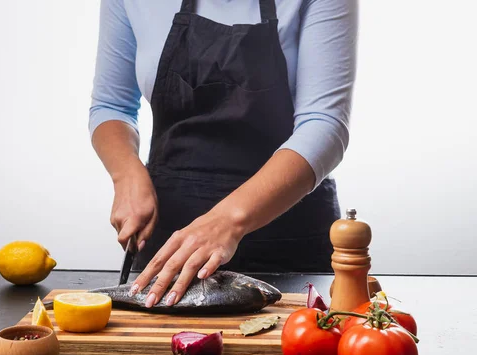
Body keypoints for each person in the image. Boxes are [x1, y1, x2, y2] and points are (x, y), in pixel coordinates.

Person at [89, 0, 358, 309]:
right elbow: (112, 106)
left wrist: (226, 220)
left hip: (290, 238)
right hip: (171, 244)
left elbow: (325, 124)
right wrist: (126, 175)